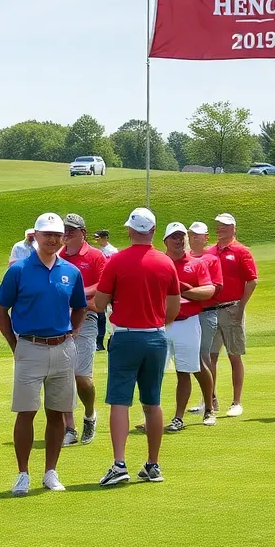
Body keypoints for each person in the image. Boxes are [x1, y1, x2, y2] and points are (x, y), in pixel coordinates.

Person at [0, 213, 87, 495]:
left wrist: (72, 334)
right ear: (36, 235)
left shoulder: (71, 271)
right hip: (30, 346)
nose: (53, 240)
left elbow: (80, 306)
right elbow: (1, 309)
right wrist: (14, 344)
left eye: (58, 235)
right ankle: (23, 473)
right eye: (47, 234)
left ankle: (50, 471)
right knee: (26, 412)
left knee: (57, 413)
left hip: (62, 347)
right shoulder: (19, 270)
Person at [92, 208, 179, 486]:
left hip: (126, 336)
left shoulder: (116, 261)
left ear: (130, 230)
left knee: (120, 401)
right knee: (152, 402)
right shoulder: (166, 263)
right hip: (155, 337)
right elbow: (173, 308)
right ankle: (153, 464)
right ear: (154, 231)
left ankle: (119, 464)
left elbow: (100, 303)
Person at [162, 223, 217, 432]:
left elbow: (208, 291)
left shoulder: (196, 263)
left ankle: (207, 408)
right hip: (162, 323)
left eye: (181, 237)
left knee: (190, 368)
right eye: (174, 237)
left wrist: (184, 292)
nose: (178, 240)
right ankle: (154, 416)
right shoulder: (159, 262)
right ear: (165, 241)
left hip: (188, 321)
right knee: (156, 372)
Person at [58, 213, 107, 446]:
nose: (67, 234)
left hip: (86, 319)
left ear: (83, 232)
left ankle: (89, 413)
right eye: (64, 230)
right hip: (60, 321)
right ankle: (70, 427)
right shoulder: (57, 256)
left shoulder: (96, 256)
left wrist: (79, 293)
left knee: (81, 377)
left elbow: (103, 285)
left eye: (72, 230)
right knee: (62, 376)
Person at [206, 213, 258, 417]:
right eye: (218, 225)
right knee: (209, 356)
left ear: (233, 228)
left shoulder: (241, 251)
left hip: (232, 309)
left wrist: (241, 306)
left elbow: (252, 281)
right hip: (210, 310)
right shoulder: (210, 251)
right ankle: (210, 399)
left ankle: (236, 401)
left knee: (234, 355)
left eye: (225, 226)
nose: (220, 229)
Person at [186, 222, 225, 425]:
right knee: (189, 358)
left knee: (203, 356)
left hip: (206, 312)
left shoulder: (211, 259)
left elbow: (216, 287)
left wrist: (193, 291)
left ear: (205, 238)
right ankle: (209, 399)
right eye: (191, 235)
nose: (194, 238)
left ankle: (210, 400)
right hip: (187, 314)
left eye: (198, 235)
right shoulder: (185, 259)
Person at [92, 229, 119, 351]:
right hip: (100, 285)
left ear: (105, 238)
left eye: (99, 238)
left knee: (108, 314)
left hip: (110, 287)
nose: (97, 240)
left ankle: (110, 338)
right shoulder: (98, 251)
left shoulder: (112, 251)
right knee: (100, 314)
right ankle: (99, 342)